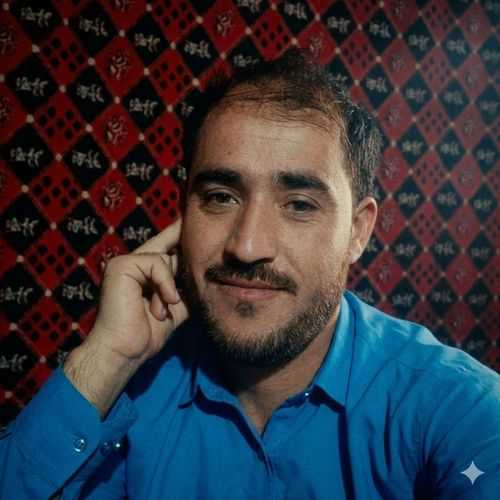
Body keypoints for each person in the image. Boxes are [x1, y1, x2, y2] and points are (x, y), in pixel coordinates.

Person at [1, 50, 499, 500]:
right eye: (221, 197)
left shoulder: (455, 406)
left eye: (299, 204)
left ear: (358, 231)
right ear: (184, 210)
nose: (246, 246)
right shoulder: (131, 387)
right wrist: (106, 358)